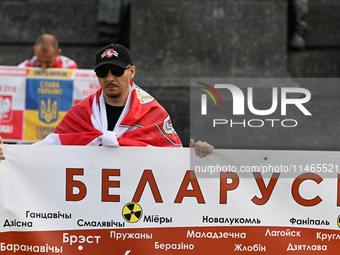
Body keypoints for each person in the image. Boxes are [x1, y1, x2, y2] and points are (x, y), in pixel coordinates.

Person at [0, 44, 213, 161]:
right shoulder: (81, 112)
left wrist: (196, 154)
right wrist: (7, 153)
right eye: (103, 71)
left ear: (131, 72)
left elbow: (173, 157)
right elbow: (49, 149)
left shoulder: (153, 113)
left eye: (117, 71)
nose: (110, 78)